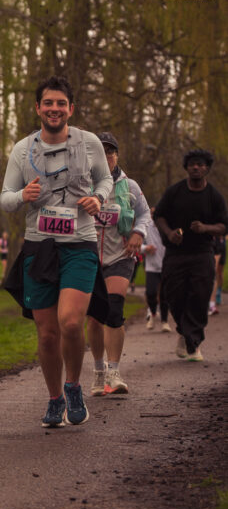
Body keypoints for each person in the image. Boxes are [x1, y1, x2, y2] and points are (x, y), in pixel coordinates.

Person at [0, 75, 112, 427]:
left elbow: (106, 179)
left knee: (71, 322)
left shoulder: (89, 143)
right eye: (48, 103)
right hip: (40, 247)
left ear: (71, 109)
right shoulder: (22, 149)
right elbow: (5, 199)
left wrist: (99, 198)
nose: (54, 109)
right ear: (38, 108)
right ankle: (54, 399)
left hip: (79, 244)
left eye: (61, 103)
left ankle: (74, 386)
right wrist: (22, 196)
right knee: (47, 334)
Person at [86, 132, 152, 397]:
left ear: (116, 155)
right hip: (88, 257)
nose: (106, 157)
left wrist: (138, 232)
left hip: (120, 255)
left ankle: (114, 373)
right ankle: (98, 370)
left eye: (110, 152)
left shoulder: (130, 186)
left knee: (114, 310)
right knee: (94, 318)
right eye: (100, 152)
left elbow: (144, 214)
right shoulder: (82, 183)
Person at [154, 149, 228, 362]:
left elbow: (223, 226)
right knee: (174, 297)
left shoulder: (214, 196)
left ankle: (193, 343)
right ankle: (185, 332)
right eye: (192, 164)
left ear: (207, 168)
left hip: (202, 253)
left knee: (200, 296)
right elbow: (159, 215)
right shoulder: (174, 192)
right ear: (186, 167)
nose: (196, 167)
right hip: (175, 253)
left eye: (201, 164)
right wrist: (169, 233)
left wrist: (205, 228)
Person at [141, 206, 171, 332]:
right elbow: (136, 244)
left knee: (164, 295)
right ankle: (153, 313)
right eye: (152, 214)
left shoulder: (168, 226)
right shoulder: (146, 226)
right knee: (151, 293)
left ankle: (164, 321)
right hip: (151, 266)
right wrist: (145, 248)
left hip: (166, 265)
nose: (154, 216)